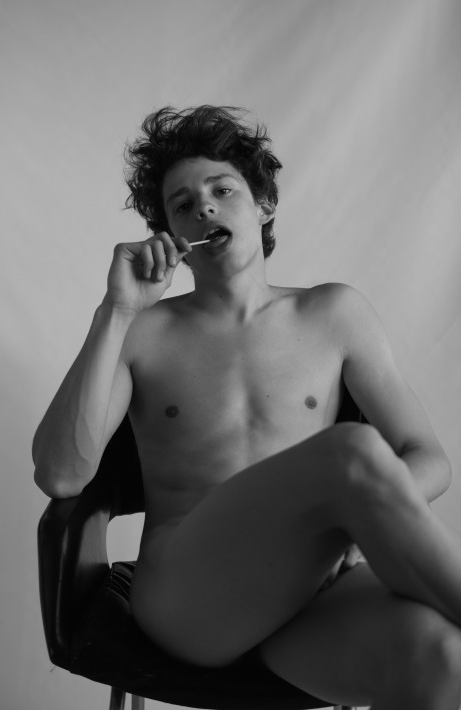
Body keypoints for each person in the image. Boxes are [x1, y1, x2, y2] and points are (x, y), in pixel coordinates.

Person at [33, 105, 461, 709]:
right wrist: (116, 310)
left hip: (311, 598)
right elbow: (60, 475)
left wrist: (366, 510)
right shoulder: (144, 332)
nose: (204, 208)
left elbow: (429, 458)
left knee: (442, 660)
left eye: (222, 190)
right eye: (182, 204)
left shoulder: (335, 314)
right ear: (171, 237)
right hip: (191, 602)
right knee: (351, 451)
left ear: (264, 205)